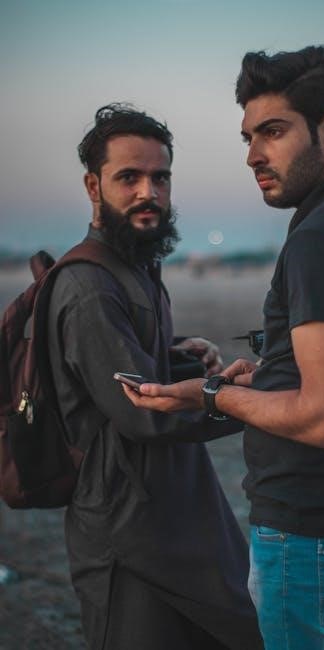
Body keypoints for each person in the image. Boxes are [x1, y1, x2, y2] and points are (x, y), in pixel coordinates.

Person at [123, 47, 324, 648]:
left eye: (273, 131)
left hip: (314, 533)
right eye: (248, 137)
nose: (253, 155)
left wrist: (213, 394)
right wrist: (272, 376)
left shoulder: (322, 237)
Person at [47, 103, 263, 650]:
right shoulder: (89, 286)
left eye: (160, 177)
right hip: (128, 532)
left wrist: (179, 354)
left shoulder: (136, 264)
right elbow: (142, 409)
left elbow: (125, 364)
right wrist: (248, 400)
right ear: (93, 186)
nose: (149, 192)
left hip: (177, 510)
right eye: (129, 177)